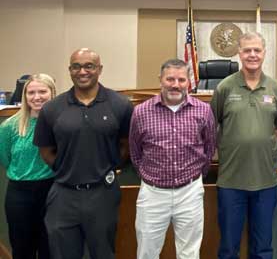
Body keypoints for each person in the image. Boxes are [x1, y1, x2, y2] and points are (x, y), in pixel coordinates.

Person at [34, 48, 133, 259]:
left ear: (100, 69)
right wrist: (66, 169)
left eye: (89, 66)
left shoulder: (120, 104)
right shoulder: (52, 108)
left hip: (102, 194)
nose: (82, 71)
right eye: (76, 66)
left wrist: (111, 167)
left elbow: (126, 144)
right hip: (63, 194)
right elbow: (46, 150)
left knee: (103, 254)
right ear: (70, 70)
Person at [211, 32, 277, 259]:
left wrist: (263, 143)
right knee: (228, 248)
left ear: (264, 53)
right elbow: (211, 126)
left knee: (263, 248)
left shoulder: (276, 89)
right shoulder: (225, 87)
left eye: (257, 50)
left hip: (265, 182)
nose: (252, 55)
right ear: (239, 53)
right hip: (230, 182)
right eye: (247, 50)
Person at [129, 59, 216, 259]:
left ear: (189, 82)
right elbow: (135, 152)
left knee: (189, 253)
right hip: (153, 193)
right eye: (170, 79)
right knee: (147, 252)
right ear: (160, 80)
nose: (175, 85)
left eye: (181, 79)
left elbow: (209, 147)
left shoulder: (203, 110)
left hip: (190, 192)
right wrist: (149, 175)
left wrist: (196, 177)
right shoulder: (141, 112)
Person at [0, 74, 56, 259]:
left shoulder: (61, 124)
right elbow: (5, 158)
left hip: (52, 192)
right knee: (22, 249)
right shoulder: (10, 126)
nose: (37, 97)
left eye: (42, 91)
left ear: (52, 93)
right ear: (24, 96)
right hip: (20, 194)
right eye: (31, 92)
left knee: (50, 248)